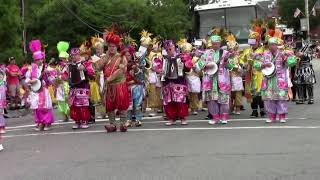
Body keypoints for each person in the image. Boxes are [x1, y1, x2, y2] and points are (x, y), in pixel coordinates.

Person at [254, 37, 296, 123]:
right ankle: (271, 116)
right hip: (268, 81)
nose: (272, 46)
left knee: (281, 98)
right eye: (270, 45)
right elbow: (256, 64)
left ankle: (282, 116)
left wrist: (291, 56)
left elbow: (291, 63)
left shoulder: (282, 54)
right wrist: (263, 65)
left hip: (280, 80)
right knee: (269, 99)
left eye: (274, 45)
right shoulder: (265, 54)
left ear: (277, 45)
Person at [95, 31, 130, 133]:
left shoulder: (121, 57)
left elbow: (122, 70)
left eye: (114, 46)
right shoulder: (105, 57)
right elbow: (97, 67)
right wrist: (90, 67)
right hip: (109, 86)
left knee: (122, 105)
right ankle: (112, 124)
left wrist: (110, 78)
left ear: (117, 47)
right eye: (110, 46)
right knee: (110, 106)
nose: (112, 48)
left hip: (119, 85)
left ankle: (123, 123)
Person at [196, 34, 233, 124]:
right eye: (213, 43)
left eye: (217, 43)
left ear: (220, 43)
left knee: (223, 99)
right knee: (212, 100)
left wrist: (226, 61)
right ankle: (215, 117)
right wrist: (203, 66)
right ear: (211, 43)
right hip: (210, 80)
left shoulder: (225, 53)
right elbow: (200, 64)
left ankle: (224, 117)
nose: (215, 45)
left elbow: (231, 66)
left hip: (222, 80)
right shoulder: (206, 53)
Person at [25, 39, 55, 131]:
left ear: (43, 58)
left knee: (44, 107)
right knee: (37, 108)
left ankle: (47, 123)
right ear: (34, 60)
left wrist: (48, 74)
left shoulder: (46, 68)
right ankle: (40, 123)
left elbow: (53, 79)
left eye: (40, 59)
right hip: (35, 91)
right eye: (37, 60)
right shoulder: (31, 69)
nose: (39, 61)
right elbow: (27, 79)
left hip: (43, 90)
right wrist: (31, 82)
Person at [162, 40, 192, 126]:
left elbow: (188, 68)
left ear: (174, 48)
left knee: (181, 101)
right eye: (166, 49)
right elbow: (157, 67)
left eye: (170, 49)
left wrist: (186, 64)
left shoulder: (181, 57)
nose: (168, 50)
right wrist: (160, 70)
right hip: (168, 82)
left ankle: (183, 118)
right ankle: (171, 118)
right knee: (169, 101)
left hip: (179, 82)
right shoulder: (164, 58)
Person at [239, 30, 266, 118]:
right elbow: (241, 59)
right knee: (251, 93)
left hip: (261, 74)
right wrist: (244, 64)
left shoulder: (263, 50)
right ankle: (254, 110)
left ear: (258, 41)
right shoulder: (247, 50)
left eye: (254, 41)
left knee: (260, 92)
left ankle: (262, 109)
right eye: (251, 41)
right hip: (249, 74)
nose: (252, 43)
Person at [69, 47, 95, 129]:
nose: (74, 57)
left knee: (83, 104)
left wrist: (85, 69)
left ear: (79, 55)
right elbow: (66, 75)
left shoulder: (85, 63)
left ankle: (84, 120)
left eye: (76, 55)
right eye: (72, 55)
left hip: (83, 86)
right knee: (74, 105)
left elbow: (92, 73)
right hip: (73, 87)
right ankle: (77, 120)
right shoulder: (69, 65)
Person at [178, 38, 201, 115]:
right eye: (185, 51)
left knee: (194, 94)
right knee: (185, 94)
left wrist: (195, 67)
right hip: (184, 78)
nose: (187, 53)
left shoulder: (195, 58)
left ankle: (194, 108)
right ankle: (186, 108)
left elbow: (199, 70)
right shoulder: (180, 58)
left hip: (194, 77)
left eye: (188, 51)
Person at [125, 43, 145, 127]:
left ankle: (138, 119)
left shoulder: (137, 63)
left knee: (137, 104)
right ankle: (128, 120)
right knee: (128, 105)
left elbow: (141, 76)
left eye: (129, 55)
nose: (127, 56)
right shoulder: (122, 64)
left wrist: (136, 68)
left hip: (137, 86)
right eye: (125, 55)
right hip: (127, 87)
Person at [227, 34, 244, 115]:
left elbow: (242, 66)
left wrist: (239, 68)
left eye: (233, 49)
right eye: (230, 49)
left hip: (237, 77)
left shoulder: (239, 56)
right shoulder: (225, 56)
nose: (231, 50)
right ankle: (230, 107)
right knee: (229, 94)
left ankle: (237, 108)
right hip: (228, 77)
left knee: (238, 93)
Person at [56, 41, 70, 122]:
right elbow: (58, 75)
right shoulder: (59, 66)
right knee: (60, 101)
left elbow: (69, 76)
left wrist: (63, 77)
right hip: (60, 85)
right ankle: (64, 115)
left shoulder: (68, 66)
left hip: (66, 85)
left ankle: (69, 114)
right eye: (61, 59)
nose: (62, 60)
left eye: (63, 58)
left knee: (67, 100)